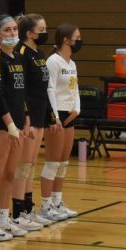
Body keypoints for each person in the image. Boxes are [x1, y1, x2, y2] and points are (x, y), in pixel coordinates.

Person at [0, 15, 32, 241]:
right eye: (7, 30)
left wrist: (26, 118)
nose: (12, 33)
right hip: (1, 125)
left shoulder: (18, 58)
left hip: (19, 124)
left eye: (14, 30)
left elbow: (21, 93)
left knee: (11, 173)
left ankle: (3, 218)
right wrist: (10, 124)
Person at [13, 13, 52, 230]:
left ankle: (28, 209)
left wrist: (49, 115)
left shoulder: (39, 52)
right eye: (41, 29)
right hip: (28, 116)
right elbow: (22, 90)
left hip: (40, 113)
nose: (45, 33)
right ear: (29, 33)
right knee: (24, 164)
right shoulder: (22, 54)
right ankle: (18, 213)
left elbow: (43, 88)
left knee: (32, 164)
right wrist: (25, 115)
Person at [40, 23, 83, 222]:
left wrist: (77, 108)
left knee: (64, 162)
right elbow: (49, 90)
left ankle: (57, 202)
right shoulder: (53, 61)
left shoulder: (71, 64)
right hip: (56, 115)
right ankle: (46, 205)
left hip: (70, 114)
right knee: (52, 162)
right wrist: (55, 117)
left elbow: (75, 89)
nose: (79, 41)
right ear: (66, 40)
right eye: (77, 37)